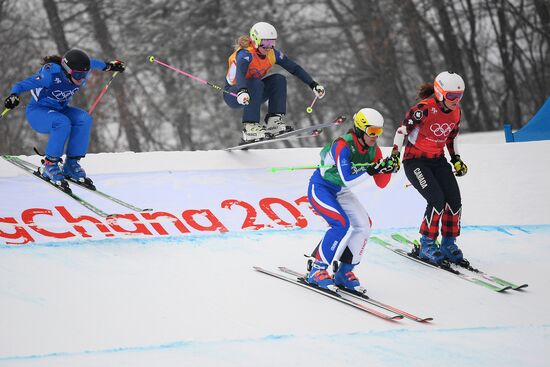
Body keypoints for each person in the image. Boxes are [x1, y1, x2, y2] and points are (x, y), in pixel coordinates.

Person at [306, 108, 400, 291]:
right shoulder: (343, 145)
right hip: (321, 188)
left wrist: (388, 169)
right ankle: (317, 269)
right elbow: (348, 178)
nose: (375, 136)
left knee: (364, 225)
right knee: (340, 223)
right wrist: (373, 169)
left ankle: (344, 271)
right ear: (360, 129)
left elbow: (381, 183)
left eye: (379, 131)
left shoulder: (374, 149)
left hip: (340, 191)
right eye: (372, 131)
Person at [3, 48, 125, 188]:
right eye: (78, 74)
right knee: (62, 122)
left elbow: (93, 63)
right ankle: (49, 165)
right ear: (67, 70)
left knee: (84, 119)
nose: (81, 78)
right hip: (38, 112)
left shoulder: (80, 68)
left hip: (60, 110)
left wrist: (109, 66)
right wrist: (14, 95)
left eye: (84, 74)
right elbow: (21, 85)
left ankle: (71, 165)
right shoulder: (50, 74)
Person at [390, 71, 469, 267]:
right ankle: (427, 244)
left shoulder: (456, 111)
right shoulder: (423, 109)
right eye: (451, 96)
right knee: (436, 199)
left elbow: (451, 136)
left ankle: (448, 244)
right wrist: (394, 156)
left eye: (459, 96)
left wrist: (456, 159)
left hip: (437, 159)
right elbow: (401, 131)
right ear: (440, 93)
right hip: (415, 161)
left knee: (454, 199)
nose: (455, 100)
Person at [224, 21, 325, 143]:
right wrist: (242, 91)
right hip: (234, 94)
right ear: (255, 40)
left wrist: (313, 84)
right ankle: (250, 127)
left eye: (272, 42)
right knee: (256, 83)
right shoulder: (245, 54)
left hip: (254, 94)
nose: (269, 47)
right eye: (265, 42)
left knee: (279, 79)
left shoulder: (272, 54)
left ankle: (274, 122)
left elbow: (294, 68)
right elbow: (240, 73)